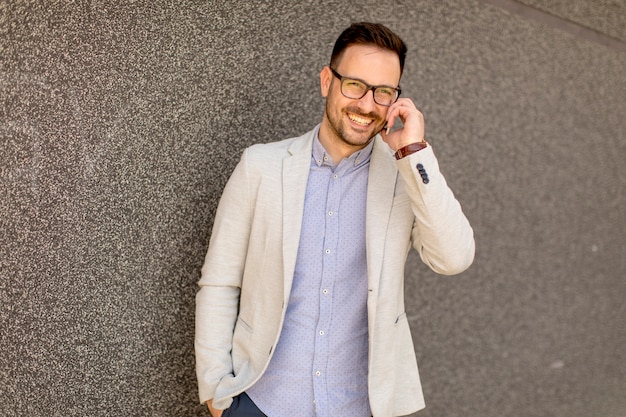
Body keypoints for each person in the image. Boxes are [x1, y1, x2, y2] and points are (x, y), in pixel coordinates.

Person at [195, 22, 475, 417]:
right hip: (261, 403)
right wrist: (217, 393)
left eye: (383, 92)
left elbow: (455, 257)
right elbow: (220, 283)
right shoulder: (261, 167)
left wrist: (414, 152)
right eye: (354, 84)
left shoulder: (404, 176)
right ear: (327, 81)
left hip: (359, 407)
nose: (366, 104)